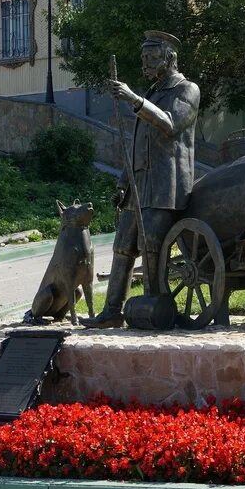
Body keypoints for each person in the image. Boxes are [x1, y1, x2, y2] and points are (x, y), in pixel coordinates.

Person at [80, 31, 200, 328]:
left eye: (151, 57)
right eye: (143, 58)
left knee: (152, 248)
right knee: (122, 247)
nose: (145, 63)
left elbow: (170, 124)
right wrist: (123, 182)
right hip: (139, 186)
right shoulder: (153, 94)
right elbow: (137, 145)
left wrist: (133, 98)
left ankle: (154, 310)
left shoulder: (187, 90)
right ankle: (112, 311)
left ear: (169, 58)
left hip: (166, 186)